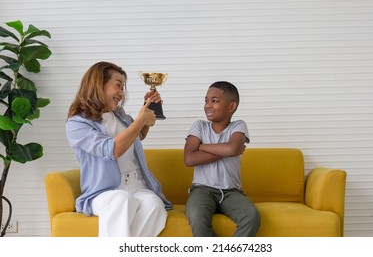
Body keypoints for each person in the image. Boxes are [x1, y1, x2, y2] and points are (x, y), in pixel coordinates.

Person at [65, 61, 172, 237]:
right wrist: (140, 121)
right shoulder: (77, 123)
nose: (121, 93)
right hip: (104, 191)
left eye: (123, 87)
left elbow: (137, 136)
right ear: (98, 84)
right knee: (121, 200)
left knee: (154, 205)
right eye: (118, 86)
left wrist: (148, 108)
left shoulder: (120, 116)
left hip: (137, 186)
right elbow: (111, 149)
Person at [184, 81, 260, 237]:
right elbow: (190, 159)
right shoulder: (199, 126)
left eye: (215, 101)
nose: (208, 105)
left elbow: (233, 148)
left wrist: (201, 146)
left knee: (251, 216)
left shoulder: (238, 126)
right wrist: (227, 150)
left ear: (231, 107)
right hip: (202, 190)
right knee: (197, 216)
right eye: (206, 101)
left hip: (231, 192)